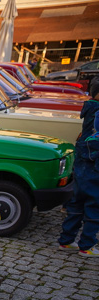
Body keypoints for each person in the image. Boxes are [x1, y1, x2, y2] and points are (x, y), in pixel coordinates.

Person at [58, 77, 99, 256]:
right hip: (94, 163)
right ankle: (87, 245)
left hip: (83, 159)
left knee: (76, 202)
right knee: (94, 204)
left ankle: (66, 240)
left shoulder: (89, 108)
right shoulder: (97, 111)